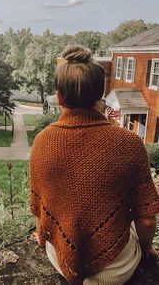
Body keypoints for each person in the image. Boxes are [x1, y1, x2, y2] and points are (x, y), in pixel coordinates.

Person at [29, 45, 159, 285]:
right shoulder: (130, 142)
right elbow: (147, 218)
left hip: (60, 260)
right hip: (117, 271)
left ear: (58, 97)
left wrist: (42, 239)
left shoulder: (41, 142)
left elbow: (40, 209)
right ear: (101, 93)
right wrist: (147, 249)